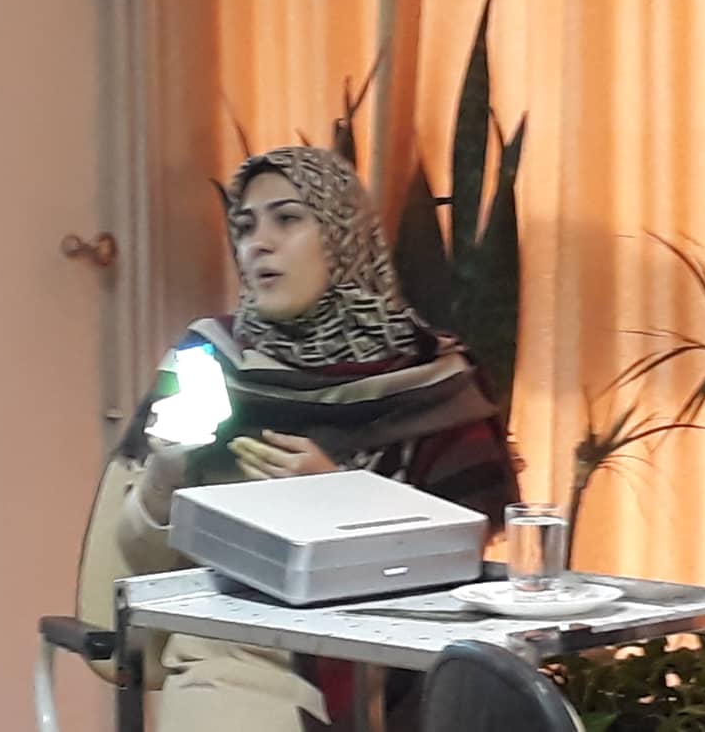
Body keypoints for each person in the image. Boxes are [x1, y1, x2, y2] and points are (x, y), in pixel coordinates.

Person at [112, 146, 519, 731]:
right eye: (245, 226)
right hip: (243, 658)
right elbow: (146, 569)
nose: (259, 244)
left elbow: (461, 557)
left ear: (342, 235)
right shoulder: (214, 364)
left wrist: (338, 496)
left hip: (404, 664)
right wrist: (165, 473)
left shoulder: (434, 378)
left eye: (287, 219)